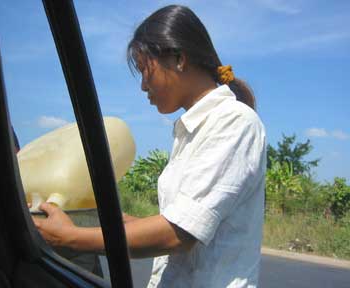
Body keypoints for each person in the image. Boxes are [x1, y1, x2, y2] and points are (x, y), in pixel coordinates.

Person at [33, 5, 266, 288]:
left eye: (146, 70)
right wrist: (102, 218)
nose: (144, 85)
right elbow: (177, 219)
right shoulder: (192, 130)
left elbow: (177, 233)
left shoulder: (234, 122)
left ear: (179, 59)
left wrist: (70, 238)